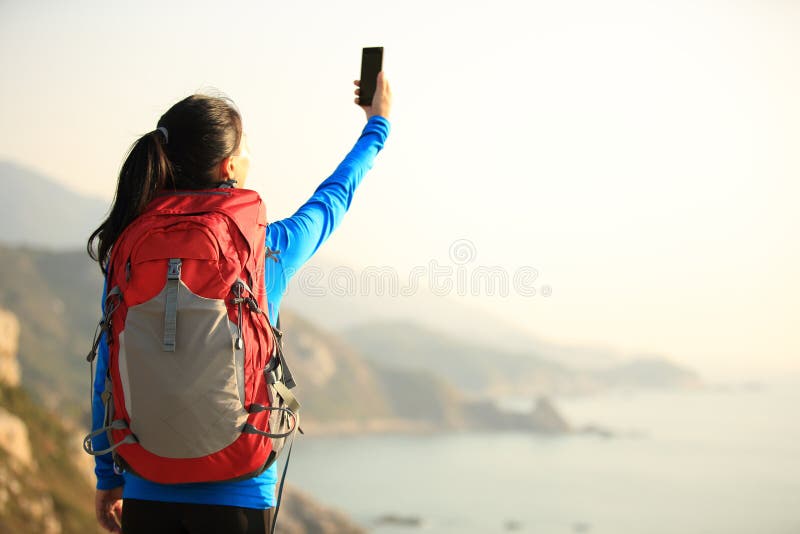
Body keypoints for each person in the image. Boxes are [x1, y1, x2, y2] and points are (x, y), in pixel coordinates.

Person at [87, 72, 392, 534]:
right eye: (246, 143)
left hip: (147, 480)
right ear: (229, 166)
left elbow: (106, 369)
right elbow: (335, 196)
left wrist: (108, 476)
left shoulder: (129, 246)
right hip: (239, 488)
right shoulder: (268, 249)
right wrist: (378, 124)